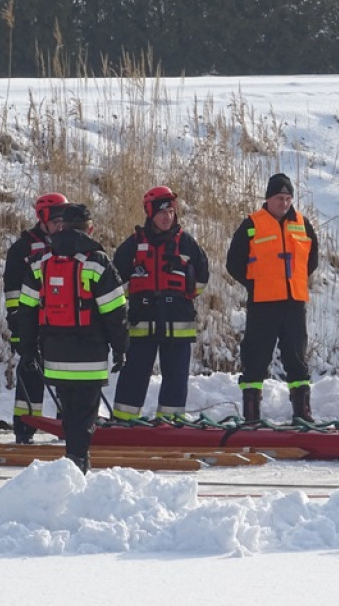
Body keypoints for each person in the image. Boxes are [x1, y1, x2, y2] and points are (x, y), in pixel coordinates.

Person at [17, 204, 129, 473]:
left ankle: (73, 458)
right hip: (89, 352)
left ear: (61, 226)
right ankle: (78, 459)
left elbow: (26, 311)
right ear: (89, 228)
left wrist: (28, 349)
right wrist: (121, 348)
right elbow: (115, 311)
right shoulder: (97, 262)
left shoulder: (39, 263)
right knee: (85, 412)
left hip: (55, 351)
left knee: (68, 409)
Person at [226, 173, 319, 424]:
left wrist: (293, 280)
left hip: (294, 303)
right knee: (255, 357)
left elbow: (312, 260)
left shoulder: (303, 224)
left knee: (297, 358)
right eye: (280, 198)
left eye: (288, 198)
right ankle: (252, 415)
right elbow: (234, 263)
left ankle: (302, 412)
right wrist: (256, 283)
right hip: (263, 303)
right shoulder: (252, 225)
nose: (285, 203)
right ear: (268, 198)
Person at [111, 186, 209, 420]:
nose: (167, 217)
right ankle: (123, 422)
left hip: (178, 325)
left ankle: (171, 423)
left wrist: (179, 300)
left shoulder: (187, 244)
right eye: (162, 213)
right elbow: (114, 282)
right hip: (141, 325)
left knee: (175, 378)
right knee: (133, 375)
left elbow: (202, 280)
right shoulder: (132, 246)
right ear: (150, 214)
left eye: (171, 212)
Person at [2, 192, 68, 443]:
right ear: (42, 218)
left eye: (64, 219)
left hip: (62, 321)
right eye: (56, 219)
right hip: (34, 323)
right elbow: (13, 291)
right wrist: (18, 327)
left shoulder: (69, 242)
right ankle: (24, 428)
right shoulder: (22, 248)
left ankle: (68, 422)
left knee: (66, 372)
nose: (60, 225)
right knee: (31, 375)